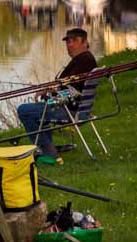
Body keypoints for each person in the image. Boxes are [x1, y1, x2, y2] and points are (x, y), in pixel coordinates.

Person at [16, 27, 98, 164]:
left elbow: (72, 89)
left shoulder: (83, 60)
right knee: (35, 111)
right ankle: (48, 148)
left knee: (24, 110)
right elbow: (73, 86)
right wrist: (51, 90)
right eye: (67, 42)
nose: (69, 45)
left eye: (74, 41)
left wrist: (51, 91)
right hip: (78, 109)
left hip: (70, 111)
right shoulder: (85, 59)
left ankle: (49, 152)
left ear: (84, 43)